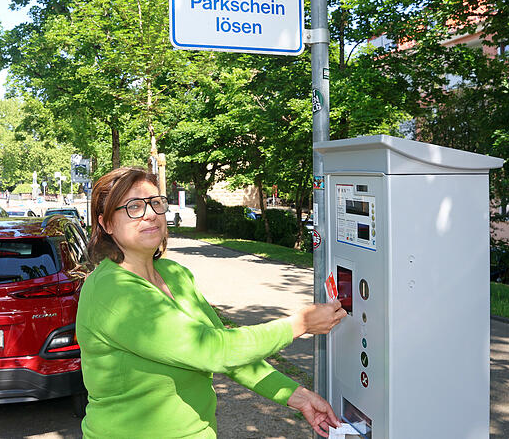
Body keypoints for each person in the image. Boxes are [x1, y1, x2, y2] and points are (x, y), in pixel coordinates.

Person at [76, 167, 347, 438]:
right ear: (106, 224)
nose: (150, 214)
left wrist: (295, 395)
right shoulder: (112, 290)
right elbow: (215, 351)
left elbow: (228, 350)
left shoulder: (174, 274)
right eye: (133, 207)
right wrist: (300, 323)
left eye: (155, 203)